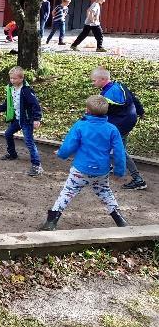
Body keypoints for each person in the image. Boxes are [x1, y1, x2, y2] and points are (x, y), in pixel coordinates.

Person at [40, 95, 128, 231]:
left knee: (68, 192)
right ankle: (120, 220)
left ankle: (51, 222)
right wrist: (119, 170)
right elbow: (119, 152)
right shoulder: (112, 129)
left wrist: (61, 154)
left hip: (81, 170)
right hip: (101, 171)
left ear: (87, 110)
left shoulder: (80, 125)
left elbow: (70, 144)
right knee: (105, 192)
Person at [91, 66, 146, 190]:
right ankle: (110, 165)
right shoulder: (119, 86)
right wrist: (141, 111)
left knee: (119, 149)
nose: (93, 83)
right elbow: (133, 98)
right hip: (130, 119)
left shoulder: (107, 95)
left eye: (94, 80)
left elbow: (99, 112)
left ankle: (138, 179)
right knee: (114, 144)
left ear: (103, 79)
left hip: (121, 123)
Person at [0, 66, 43, 176]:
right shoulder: (11, 89)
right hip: (17, 119)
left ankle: (37, 166)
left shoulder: (26, 90)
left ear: (21, 78)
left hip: (26, 120)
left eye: (14, 79)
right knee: (8, 134)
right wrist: (0, 108)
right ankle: (12, 154)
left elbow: (35, 104)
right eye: (11, 78)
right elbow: (8, 103)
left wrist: (36, 119)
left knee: (29, 142)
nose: (12, 81)